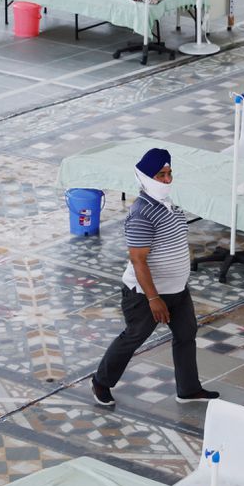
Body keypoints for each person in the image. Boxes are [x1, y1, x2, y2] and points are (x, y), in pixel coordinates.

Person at [91, 148, 219, 408]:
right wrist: (153, 298)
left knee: (186, 334)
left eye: (169, 173)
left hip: (177, 290)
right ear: (147, 177)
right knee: (134, 337)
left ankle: (188, 389)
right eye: (161, 175)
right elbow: (138, 260)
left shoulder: (170, 206)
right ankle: (101, 382)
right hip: (146, 295)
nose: (167, 180)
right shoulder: (141, 214)